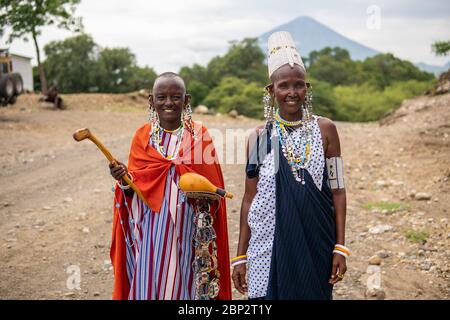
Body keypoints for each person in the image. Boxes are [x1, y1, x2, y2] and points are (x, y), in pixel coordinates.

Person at [232, 31, 349, 300]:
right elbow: (250, 199)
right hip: (266, 247)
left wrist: (340, 247)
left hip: (315, 243)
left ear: (307, 88)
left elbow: (339, 190)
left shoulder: (326, 130)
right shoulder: (258, 138)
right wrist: (240, 254)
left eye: (299, 85)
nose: (292, 92)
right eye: (284, 85)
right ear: (271, 91)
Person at [109, 72, 231, 300]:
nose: (168, 103)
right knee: (150, 276)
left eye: (175, 97)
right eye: (161, 97)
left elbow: (212, 186)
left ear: (186, 100)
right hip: (151, 227)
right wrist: (124, 180)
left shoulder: (199, 135)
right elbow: (134, 187)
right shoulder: (142, 136)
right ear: (151, 101)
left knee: (186, 280)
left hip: (189, 227)